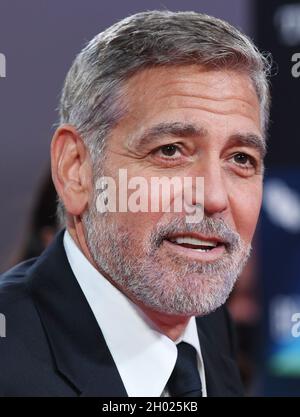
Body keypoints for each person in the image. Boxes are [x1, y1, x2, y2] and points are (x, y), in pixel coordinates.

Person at [0, 10, 271, 397]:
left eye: (241, 158)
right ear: (76, 170)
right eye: (171, 150)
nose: (213, 198)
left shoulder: (208, 326)